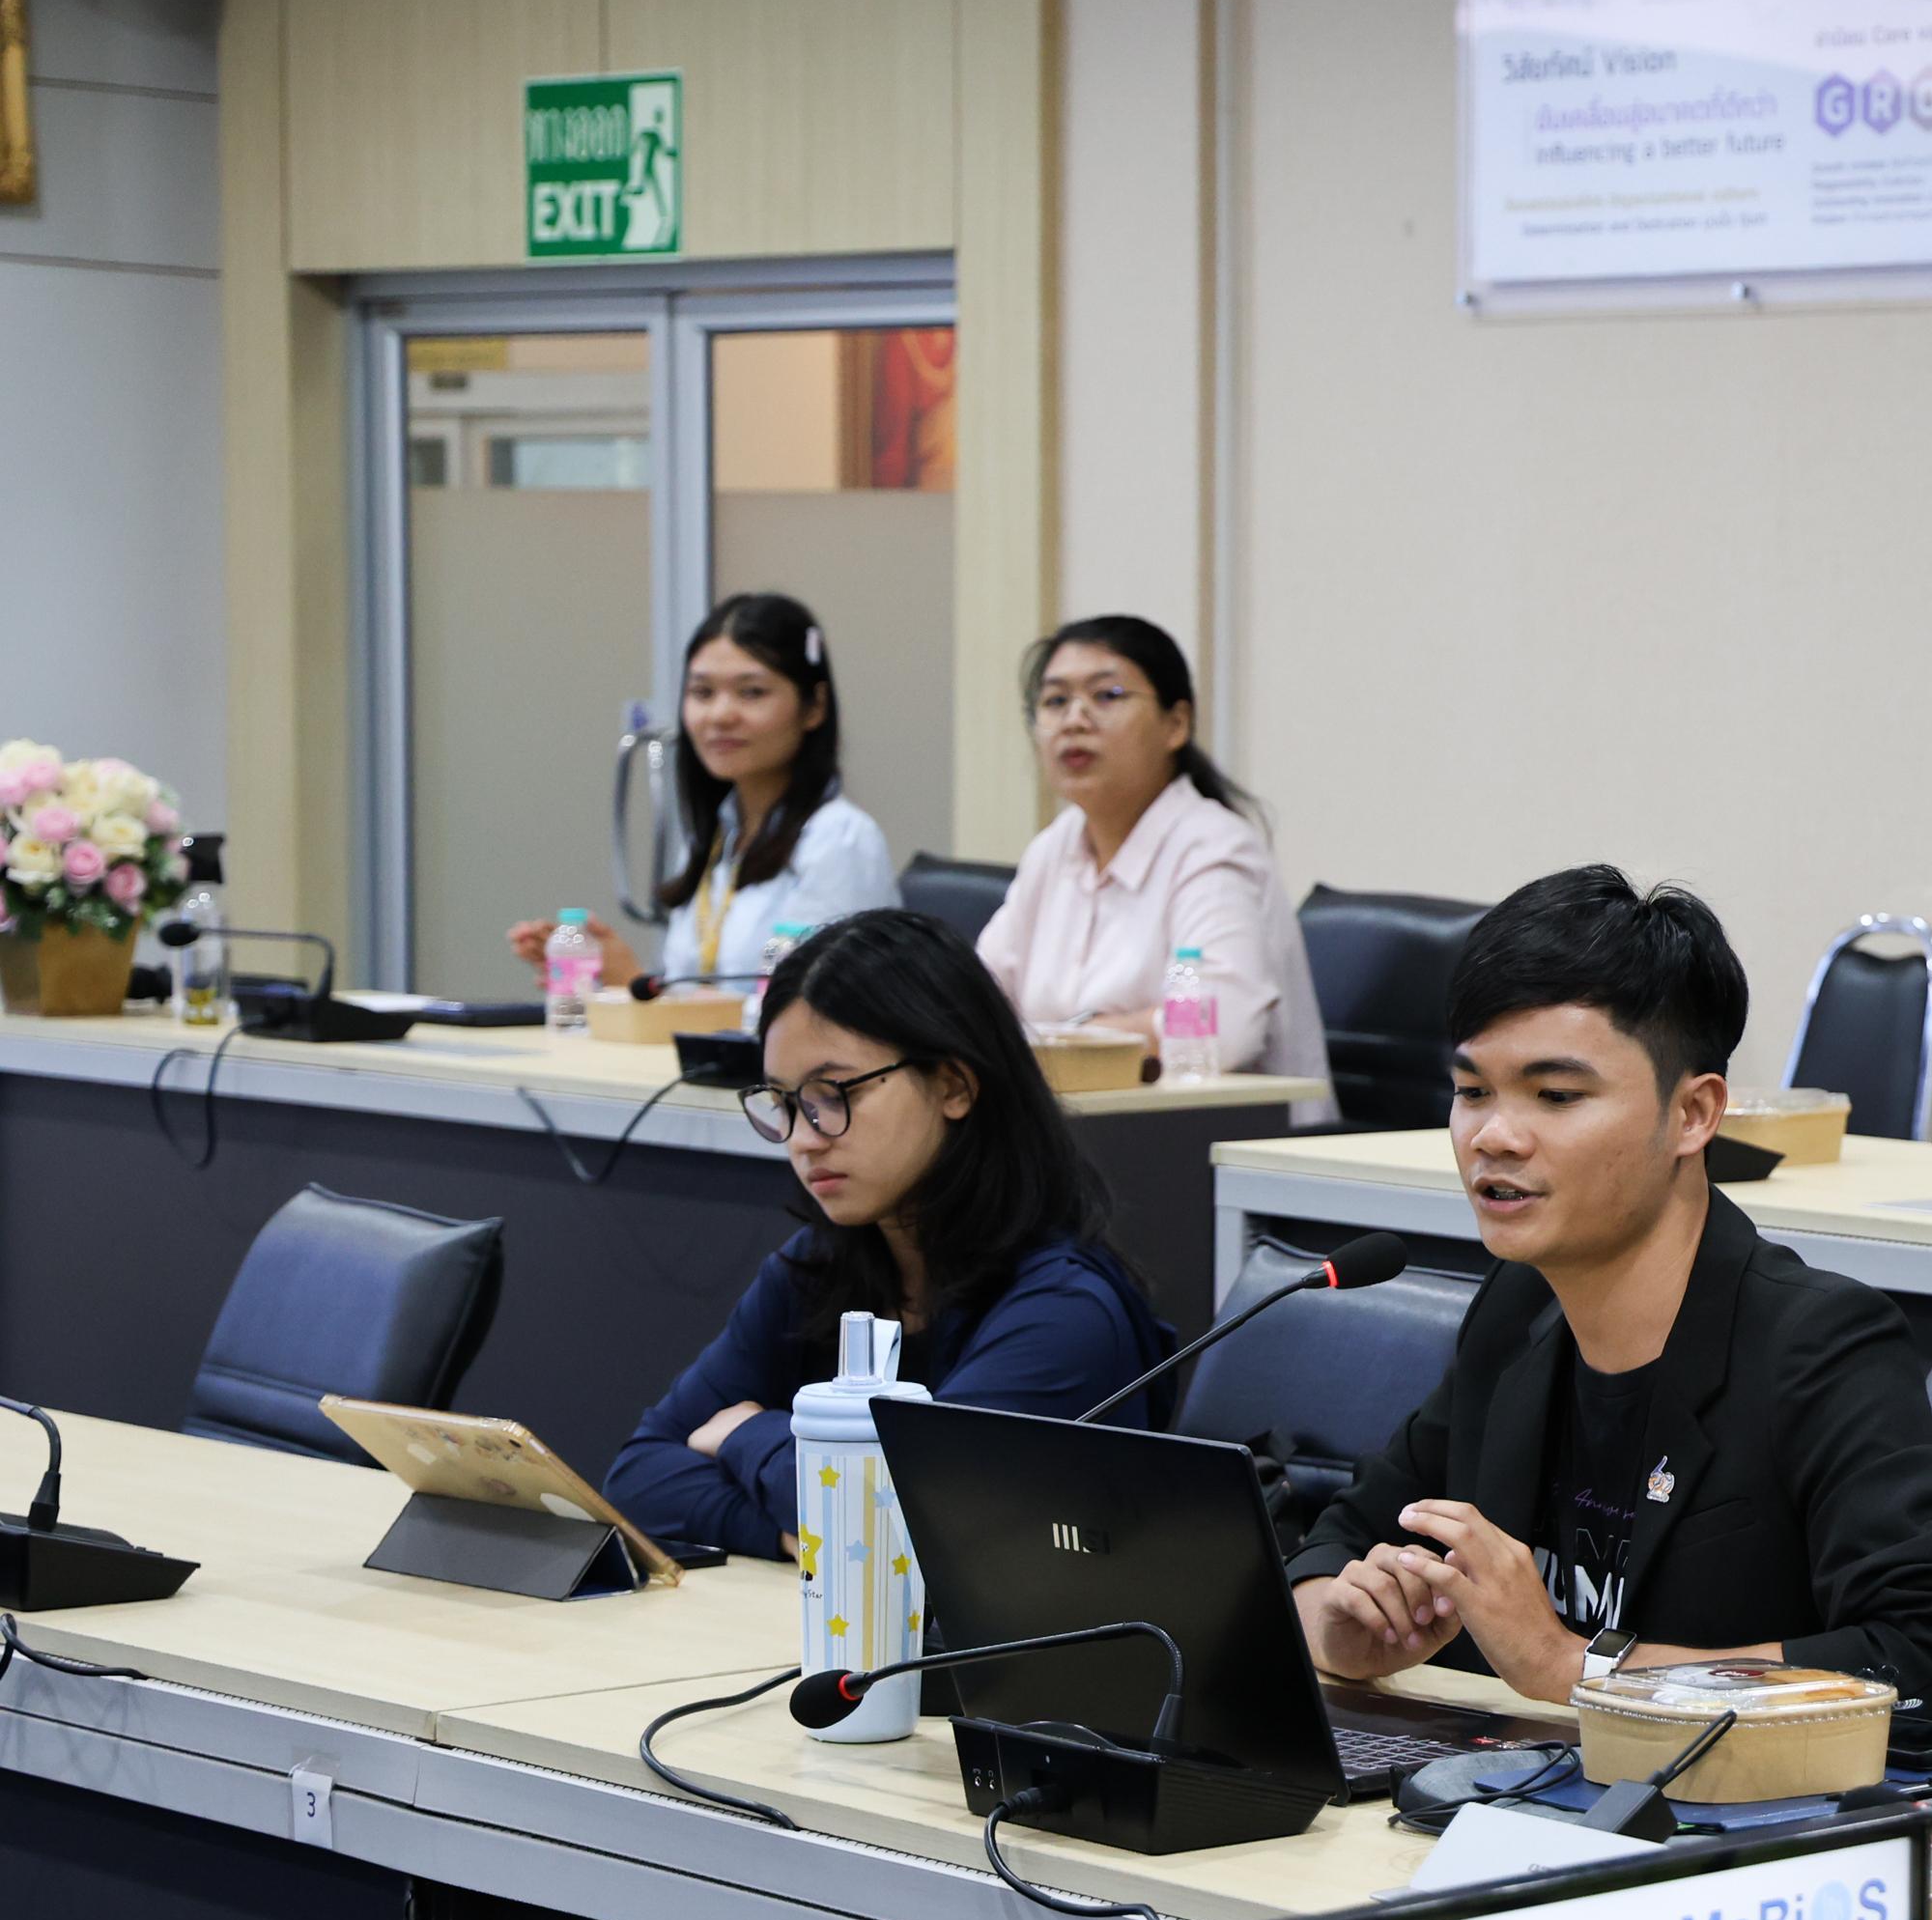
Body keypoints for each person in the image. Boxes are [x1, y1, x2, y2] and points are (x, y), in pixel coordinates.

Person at [1285, 866, 1932, 1716]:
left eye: (1556, 1096)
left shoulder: (1819, 1346)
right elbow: (1334, 1545)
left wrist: (1577, 1668)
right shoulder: (1517, 1310)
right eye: (1472, 1091)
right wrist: (1341, 1633)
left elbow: (1917, 1660)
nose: (1493, 1136)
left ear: (1692, 1115)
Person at [606, 909, 1174, 1563]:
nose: (804, 1137)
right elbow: (637, 1478)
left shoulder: (1064, 1315)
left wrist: (747, 1437)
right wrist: (794, 1530)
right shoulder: (814, 1268)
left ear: (953, 1086)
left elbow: (910, 1522)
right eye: (785, 1102)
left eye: (833, 1093)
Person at [976, 615, 1332, 1103]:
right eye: (1055, 701)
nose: (1074, 720)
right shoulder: (1053, 849)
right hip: (1082, 1125)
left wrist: (1065, 1041)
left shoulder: (1212, 847)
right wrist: (1133, 1028)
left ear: (1176, 724)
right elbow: (977, 1005)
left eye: (1107, 695)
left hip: (1218, 1135)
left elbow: (1220, 1029)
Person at [508, 593, 896, 991]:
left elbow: (815, 1012)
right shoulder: (717, 838)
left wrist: (633, 980)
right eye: (703, 693)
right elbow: (697, 999)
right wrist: (615, 979)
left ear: (814, 706)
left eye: (752, 692)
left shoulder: (840, 840)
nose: (720, 715)